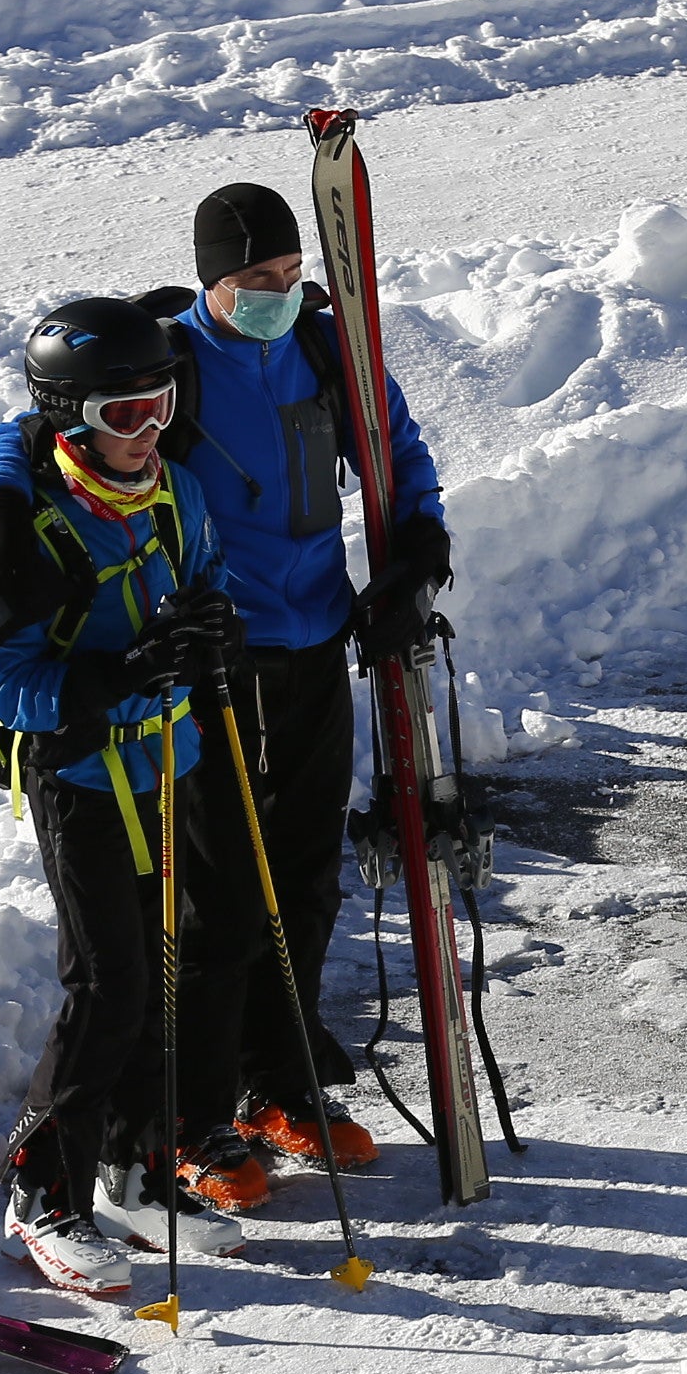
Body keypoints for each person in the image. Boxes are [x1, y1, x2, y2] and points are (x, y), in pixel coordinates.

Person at [0, 296, 260, 1295]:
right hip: (83, 781)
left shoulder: (176, 495)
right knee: (107, 987)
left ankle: (133, 1169)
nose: (148, 432)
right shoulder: (35, 524)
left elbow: (209, 572)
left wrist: (211, 626)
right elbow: (5, 681)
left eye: (161, 406)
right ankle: (43, 1195)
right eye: (124, 416)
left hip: (166, 766)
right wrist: (116, 674)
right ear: (72, 416)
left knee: (165, 973)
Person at [157, 179, 454, 1192]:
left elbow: (399, 453)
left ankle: (281, 1078)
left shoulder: (328, 350)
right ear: (212, 282)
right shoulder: (168, 366)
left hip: (319, 634)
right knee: (219, 890)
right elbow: (56, 456)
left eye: (292, 275)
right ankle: (195, 1114)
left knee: (307, 869)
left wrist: (415, 549)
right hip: (217, 658)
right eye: (255, 280)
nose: (280, 293)